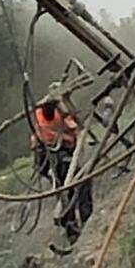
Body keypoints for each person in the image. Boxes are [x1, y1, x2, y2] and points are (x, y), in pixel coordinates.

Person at [31, 99, 92, 244]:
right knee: (75, 183)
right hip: (52, 156)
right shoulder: (50, 115)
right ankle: (75, 221)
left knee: (69, 185)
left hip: (54, 155)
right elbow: (71, 129)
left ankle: (74, 222)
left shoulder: (51, 113)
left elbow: (74, 127)